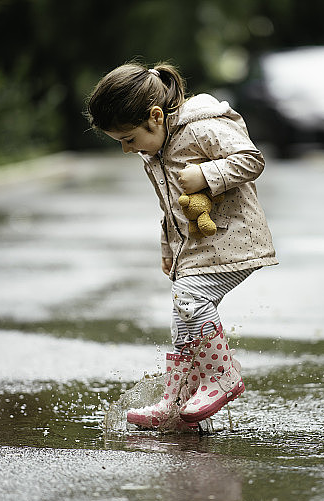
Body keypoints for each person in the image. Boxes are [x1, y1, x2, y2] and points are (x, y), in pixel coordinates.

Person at [86, 62, 277, 429]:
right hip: (196, 248)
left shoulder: (203, 127)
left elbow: (252, 159)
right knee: (183, 321)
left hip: (233, 239)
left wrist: (208, 174)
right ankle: (183, 405)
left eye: (129, 139)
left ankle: (220, 377)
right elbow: (170, 209)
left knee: (190, 300)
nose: (128, 149)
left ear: (155, 117)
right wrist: (167, 249)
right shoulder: (154, 151)